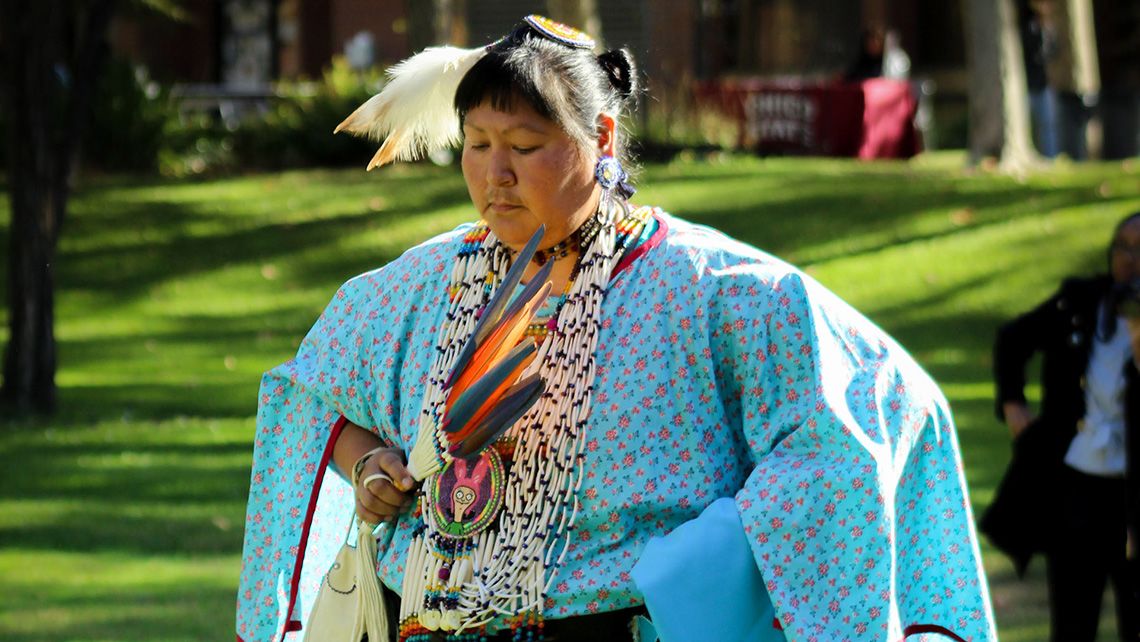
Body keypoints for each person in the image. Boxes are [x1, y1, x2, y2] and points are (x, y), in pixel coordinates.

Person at [237, 15, 997, 642]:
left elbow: (870, 408)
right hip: (423, 621)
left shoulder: (716, 294)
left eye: (525, 147)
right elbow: (312, 395)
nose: (493, 173)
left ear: (601, 138)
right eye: (476, 143)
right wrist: (372, 464)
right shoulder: (411, 290)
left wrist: (720, 556)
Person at [983, 212, 1140, 641]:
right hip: (1077, 485)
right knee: (1073, 619)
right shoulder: (1081, 302)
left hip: (1133, 494)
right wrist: (1013, 406)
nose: (1129, 259)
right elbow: (1013, 339)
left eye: (1139, 249)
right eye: (1122, 247)